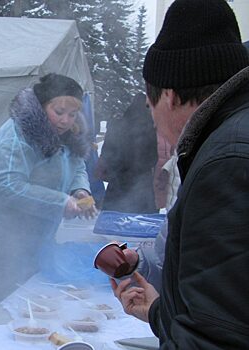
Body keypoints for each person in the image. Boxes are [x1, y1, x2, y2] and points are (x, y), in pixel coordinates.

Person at [111, 1, 249, 348]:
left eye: (150, 106)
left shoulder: (226, 160)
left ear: (169, 96)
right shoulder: (232, 134)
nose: (154, 123)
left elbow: (214, 339)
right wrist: (159, 311)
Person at [0, 73, 98, 319]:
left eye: (72, 115)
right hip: (0, 229)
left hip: (34, 224)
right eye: (59, 111)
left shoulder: (68, 133)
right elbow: (9, 186)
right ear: (41, 105)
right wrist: (61, 202)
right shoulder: (17, 135)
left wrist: (79, 190)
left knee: (28, 290)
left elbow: (76, 164)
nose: (65, 121)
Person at [95, 93, 158, 213]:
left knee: (113, 219)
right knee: (142, 224)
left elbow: (107, 153)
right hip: (142, 184)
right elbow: (153, 158)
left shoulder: (117, 125)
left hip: (117, 182)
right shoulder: (151, 130)